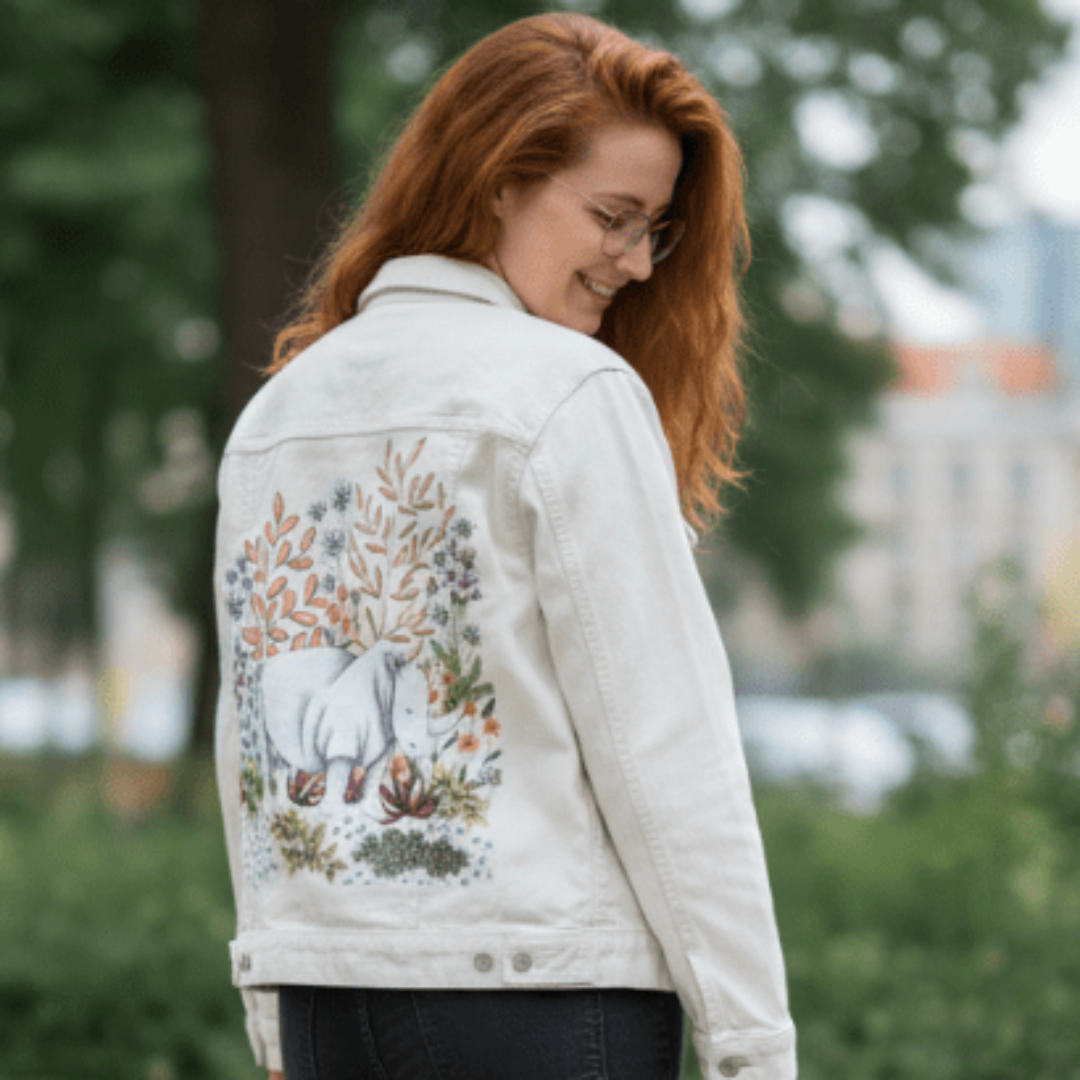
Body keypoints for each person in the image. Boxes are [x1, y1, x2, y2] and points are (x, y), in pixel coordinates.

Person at [212, 12, 796, 1080]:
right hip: (545, 1007)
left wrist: (271, 994)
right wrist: (754, 1048)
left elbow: (255, 740)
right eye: (612, 216)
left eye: (654, 229)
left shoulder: (280, 414)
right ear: (495, 180)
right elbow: (665, 751)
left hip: (328, 1009)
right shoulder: (569, 394)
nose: (634, 262)